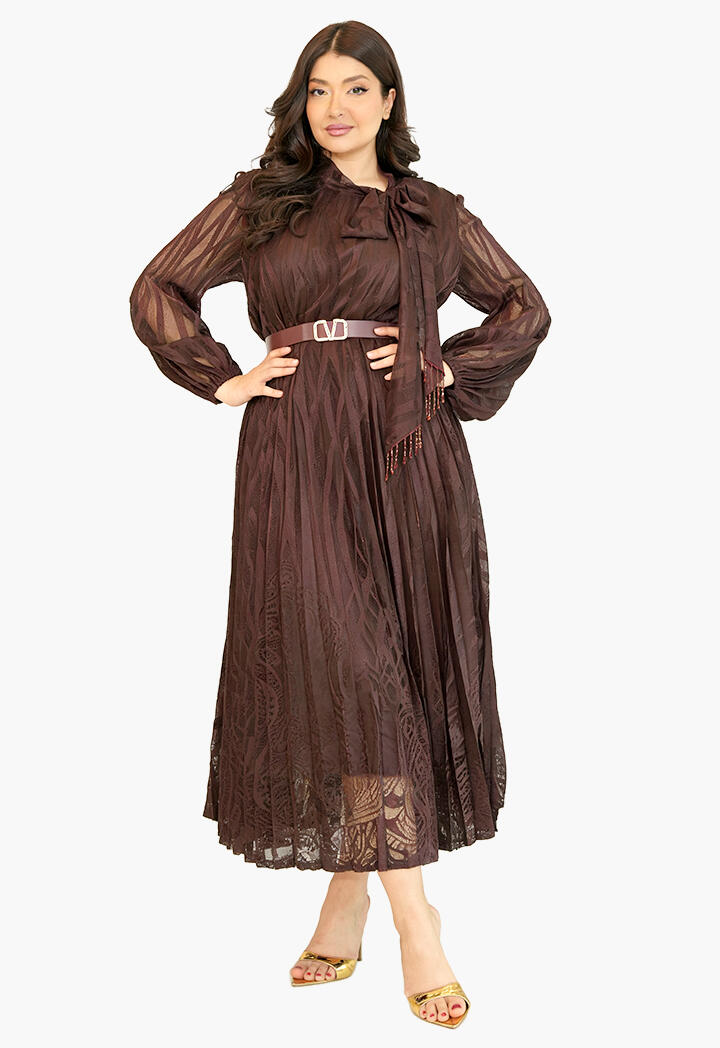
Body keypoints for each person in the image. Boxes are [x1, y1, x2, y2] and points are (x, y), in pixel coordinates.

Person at [129, 19, 551, 1029]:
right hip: (296, 450)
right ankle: (419, 922)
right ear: (301, 102)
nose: (335, 107)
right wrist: (221, 377)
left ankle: (349, 896)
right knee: (351, 667)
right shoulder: (260, 202)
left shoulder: (433, 215)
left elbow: (524, 308)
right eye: (318, 89)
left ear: (390, 103)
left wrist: (443, 366)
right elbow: (159, 287)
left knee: (392, 665)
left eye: (356, 88)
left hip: (407, 453)